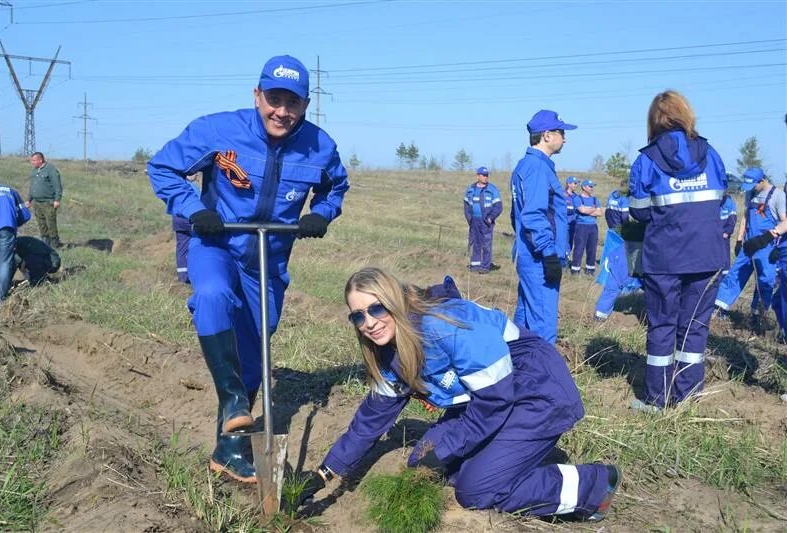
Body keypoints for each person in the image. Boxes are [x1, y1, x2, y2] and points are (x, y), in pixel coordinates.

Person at [147, 55, 349, 483]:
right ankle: (235, 403)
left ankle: (228, 449)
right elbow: (162, 166)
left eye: (292, 103)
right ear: (257, 96)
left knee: (256, 354)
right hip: (217, 244)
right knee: (212, 296)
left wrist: (322, 213)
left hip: (268, 260)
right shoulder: (219, 130)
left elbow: (336, 187)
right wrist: (194, 208)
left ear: (306, 105)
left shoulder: (319, 146)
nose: (282, 111)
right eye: (273, 99)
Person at [304, 267, 620, 520]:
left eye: (376, 309)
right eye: (358, 315)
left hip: (535, 391)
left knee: (476, 492)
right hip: (486, 399)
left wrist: (449, 449)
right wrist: (323, 474)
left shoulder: (443, 327)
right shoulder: (389, 353)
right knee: (421, 460)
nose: (369, 323)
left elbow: (494, 403)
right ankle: (500, 462)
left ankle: (593, 486)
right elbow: (371, 420)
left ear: (395, 301)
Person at [628, 90, 727, 412]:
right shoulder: (710, 153)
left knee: (662, 326)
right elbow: (721, 200)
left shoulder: (646, 160)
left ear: (653, 120)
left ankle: (657, 399)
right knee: (695, 327)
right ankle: (688, 396)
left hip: (665, 257)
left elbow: (639, 211)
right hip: (708, 254)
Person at [510, 109, 575, 344]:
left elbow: (516, 214)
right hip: (540, 259)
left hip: (530, 254)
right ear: (547, 135)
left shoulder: (526, 166)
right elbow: (533, 215)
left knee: (525, 321)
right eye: (561, 132)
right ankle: (542, 377)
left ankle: (515, 371)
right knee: (543, 329)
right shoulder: (537, 168)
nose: (565, 138)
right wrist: (549, 253)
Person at [714, 168, 786, 324]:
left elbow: (785, 222)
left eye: (754, 184)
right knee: (734, 274)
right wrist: (740, 240)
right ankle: (719, 309)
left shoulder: (778, 196)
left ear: (762, 181)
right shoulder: (751, 193)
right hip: (748, 245)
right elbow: (746, 216)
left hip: (765, 246)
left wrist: (767, 237)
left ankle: (758, 316)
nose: (751, 188)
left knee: (765, 281)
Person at [742, 181, 787, 339]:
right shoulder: (782, 197)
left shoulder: (778, 197)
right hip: (779, 250)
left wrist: (768, 238)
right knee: (777, 298)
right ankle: (781, 331)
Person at [594, 183, 641, 320]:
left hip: (618, 243)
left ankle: (600, 315)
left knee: (612, 286)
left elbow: (608, 213)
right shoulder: (626, 200)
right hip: (627, 247)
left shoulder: (613, 196)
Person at [0, 182, 31, 305]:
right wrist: (15, 223)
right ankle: (1, 297)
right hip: (8, 228)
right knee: (5, 262)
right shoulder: (11, 191)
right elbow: (25, 215)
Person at [464, 166, 502, 273]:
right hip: (474, 221)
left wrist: (490, 218)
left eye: (487, 175)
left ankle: (485, 266)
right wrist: (469, 218)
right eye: (483, 175)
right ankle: (475, 265)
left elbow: (498, 207)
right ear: (478, 176)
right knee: (475, 243)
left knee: (486, 244)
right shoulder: (471, 189)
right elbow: (466, 205)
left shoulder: (492, 189)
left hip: (486, 221)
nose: (486, 177)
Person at [26, 152, 63, 249]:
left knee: (51, 223)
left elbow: (57, 187)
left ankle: (55, 244)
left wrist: (57, 200)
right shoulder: (35, 171)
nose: (32, 162)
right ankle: (45, 243)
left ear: (40, 160)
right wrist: (29, 200)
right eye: (31, 160)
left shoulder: (51, 170)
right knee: (41, 223)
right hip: (37, 202)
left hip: (48, 202)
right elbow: (32, 187)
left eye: (34, 160)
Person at [570, 180, 602, 276]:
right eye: (590, 186)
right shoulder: (577, 198)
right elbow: (582, 210)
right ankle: (575, 270)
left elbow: (599, 213)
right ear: (583, 187)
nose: (592, 188)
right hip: (581, 226)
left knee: (592, 248)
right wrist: (593, 209)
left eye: (592, 186)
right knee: (579, 248)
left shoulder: (595, 199)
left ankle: (590, 269)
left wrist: (587, 210)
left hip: (593, 226)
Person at [172, 173, 201, 283]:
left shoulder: (177, 185)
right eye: (193, 173)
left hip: (177, 220)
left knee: (182, 247)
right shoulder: (191, 187)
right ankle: (197, 274)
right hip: (190, 219)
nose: (196, 174)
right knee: (199, 244)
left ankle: (182, 276)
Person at [719, 191, 738, 276]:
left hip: (724, 234)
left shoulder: (729, 202)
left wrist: (727, 232)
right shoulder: (713, 201)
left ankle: (725, 272)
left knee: (725, 254)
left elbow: (733, 219)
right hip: (714, 233)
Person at [563, 176, 579, 257]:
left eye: (577, 183)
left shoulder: (576, 196)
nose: (576, 185)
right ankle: (562, 257)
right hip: (564, 222)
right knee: (563, 240)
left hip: (573, 223)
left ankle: (567, 256)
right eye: (575, 183)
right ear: (569, 184)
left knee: (570, 241)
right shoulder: (562, 194)